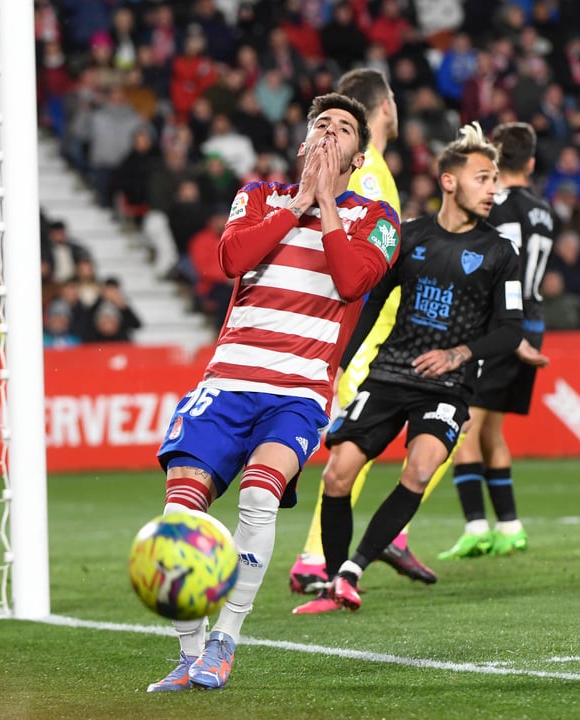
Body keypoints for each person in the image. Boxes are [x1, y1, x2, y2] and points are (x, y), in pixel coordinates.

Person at [146, 93, 399, 691]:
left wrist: (327, 207)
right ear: (302, 143)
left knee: (258, 498)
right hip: (227, 381)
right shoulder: (259, 196)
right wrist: (300, 205)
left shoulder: (376, 219)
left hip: (297, 392)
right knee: (179, 516)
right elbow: (231, 256)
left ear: (358, 157)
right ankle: (189, 654)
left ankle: (225, 641)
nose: (330, 134)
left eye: (343, 129)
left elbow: (351, 279)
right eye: (321, 125)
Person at [292, 123, 524, 614]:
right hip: (391, 374)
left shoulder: (501, 253)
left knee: (419, 468)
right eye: (483, 178)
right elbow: (372, 305)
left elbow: (509, 330)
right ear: (448, 181)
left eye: (496, 180)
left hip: (450, 385)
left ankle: (353, 570)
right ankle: (336, 582)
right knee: (337, 475)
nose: (493, 189)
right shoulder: (410, 237)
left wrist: (460, 354)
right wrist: (338, 364)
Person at [289, 68, 440, 594]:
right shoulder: (370, 172)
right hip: (371, 335)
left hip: (378, 333)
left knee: (371, 444)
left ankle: (387, 537)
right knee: (351, 444)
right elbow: (366, 261)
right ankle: (314, 559)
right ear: (385, 105)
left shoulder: (376, 168)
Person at [439, 122, 555, 560]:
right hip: (534, 321)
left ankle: (475, 527)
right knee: (492, 431)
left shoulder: (500, 204)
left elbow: (488, 251)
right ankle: (509, 526)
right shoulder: (543, 209)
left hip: (502, 323)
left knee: (465, 426)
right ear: (532, 162)